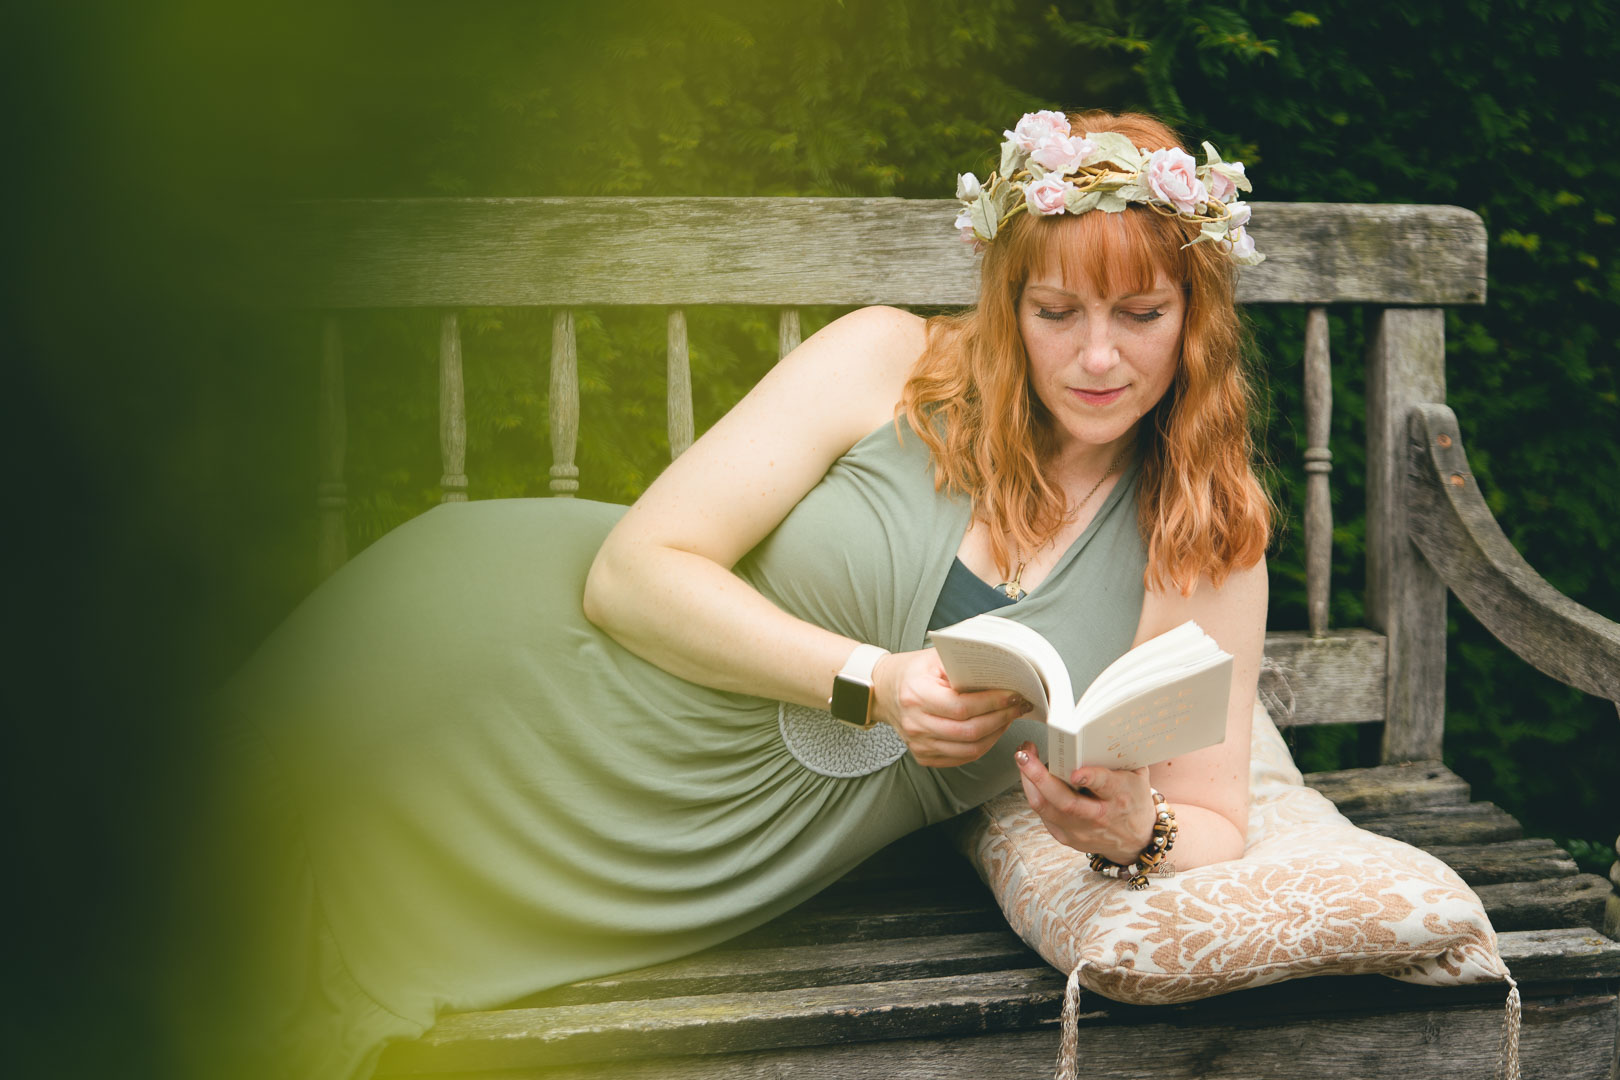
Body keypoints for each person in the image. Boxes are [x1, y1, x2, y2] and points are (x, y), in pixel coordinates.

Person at [166, 108, 1271, 1080]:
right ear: (1008, 301)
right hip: (492, 688)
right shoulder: (889, 362)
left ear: (1196, 316)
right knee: (185, 931)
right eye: (1056, 312)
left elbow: (1215, 815)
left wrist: (1140, 830)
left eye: (1140, 314)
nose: (1096, 357)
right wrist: (875, 683)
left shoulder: (1206, 536)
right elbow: (632, 576)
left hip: (682, 856)